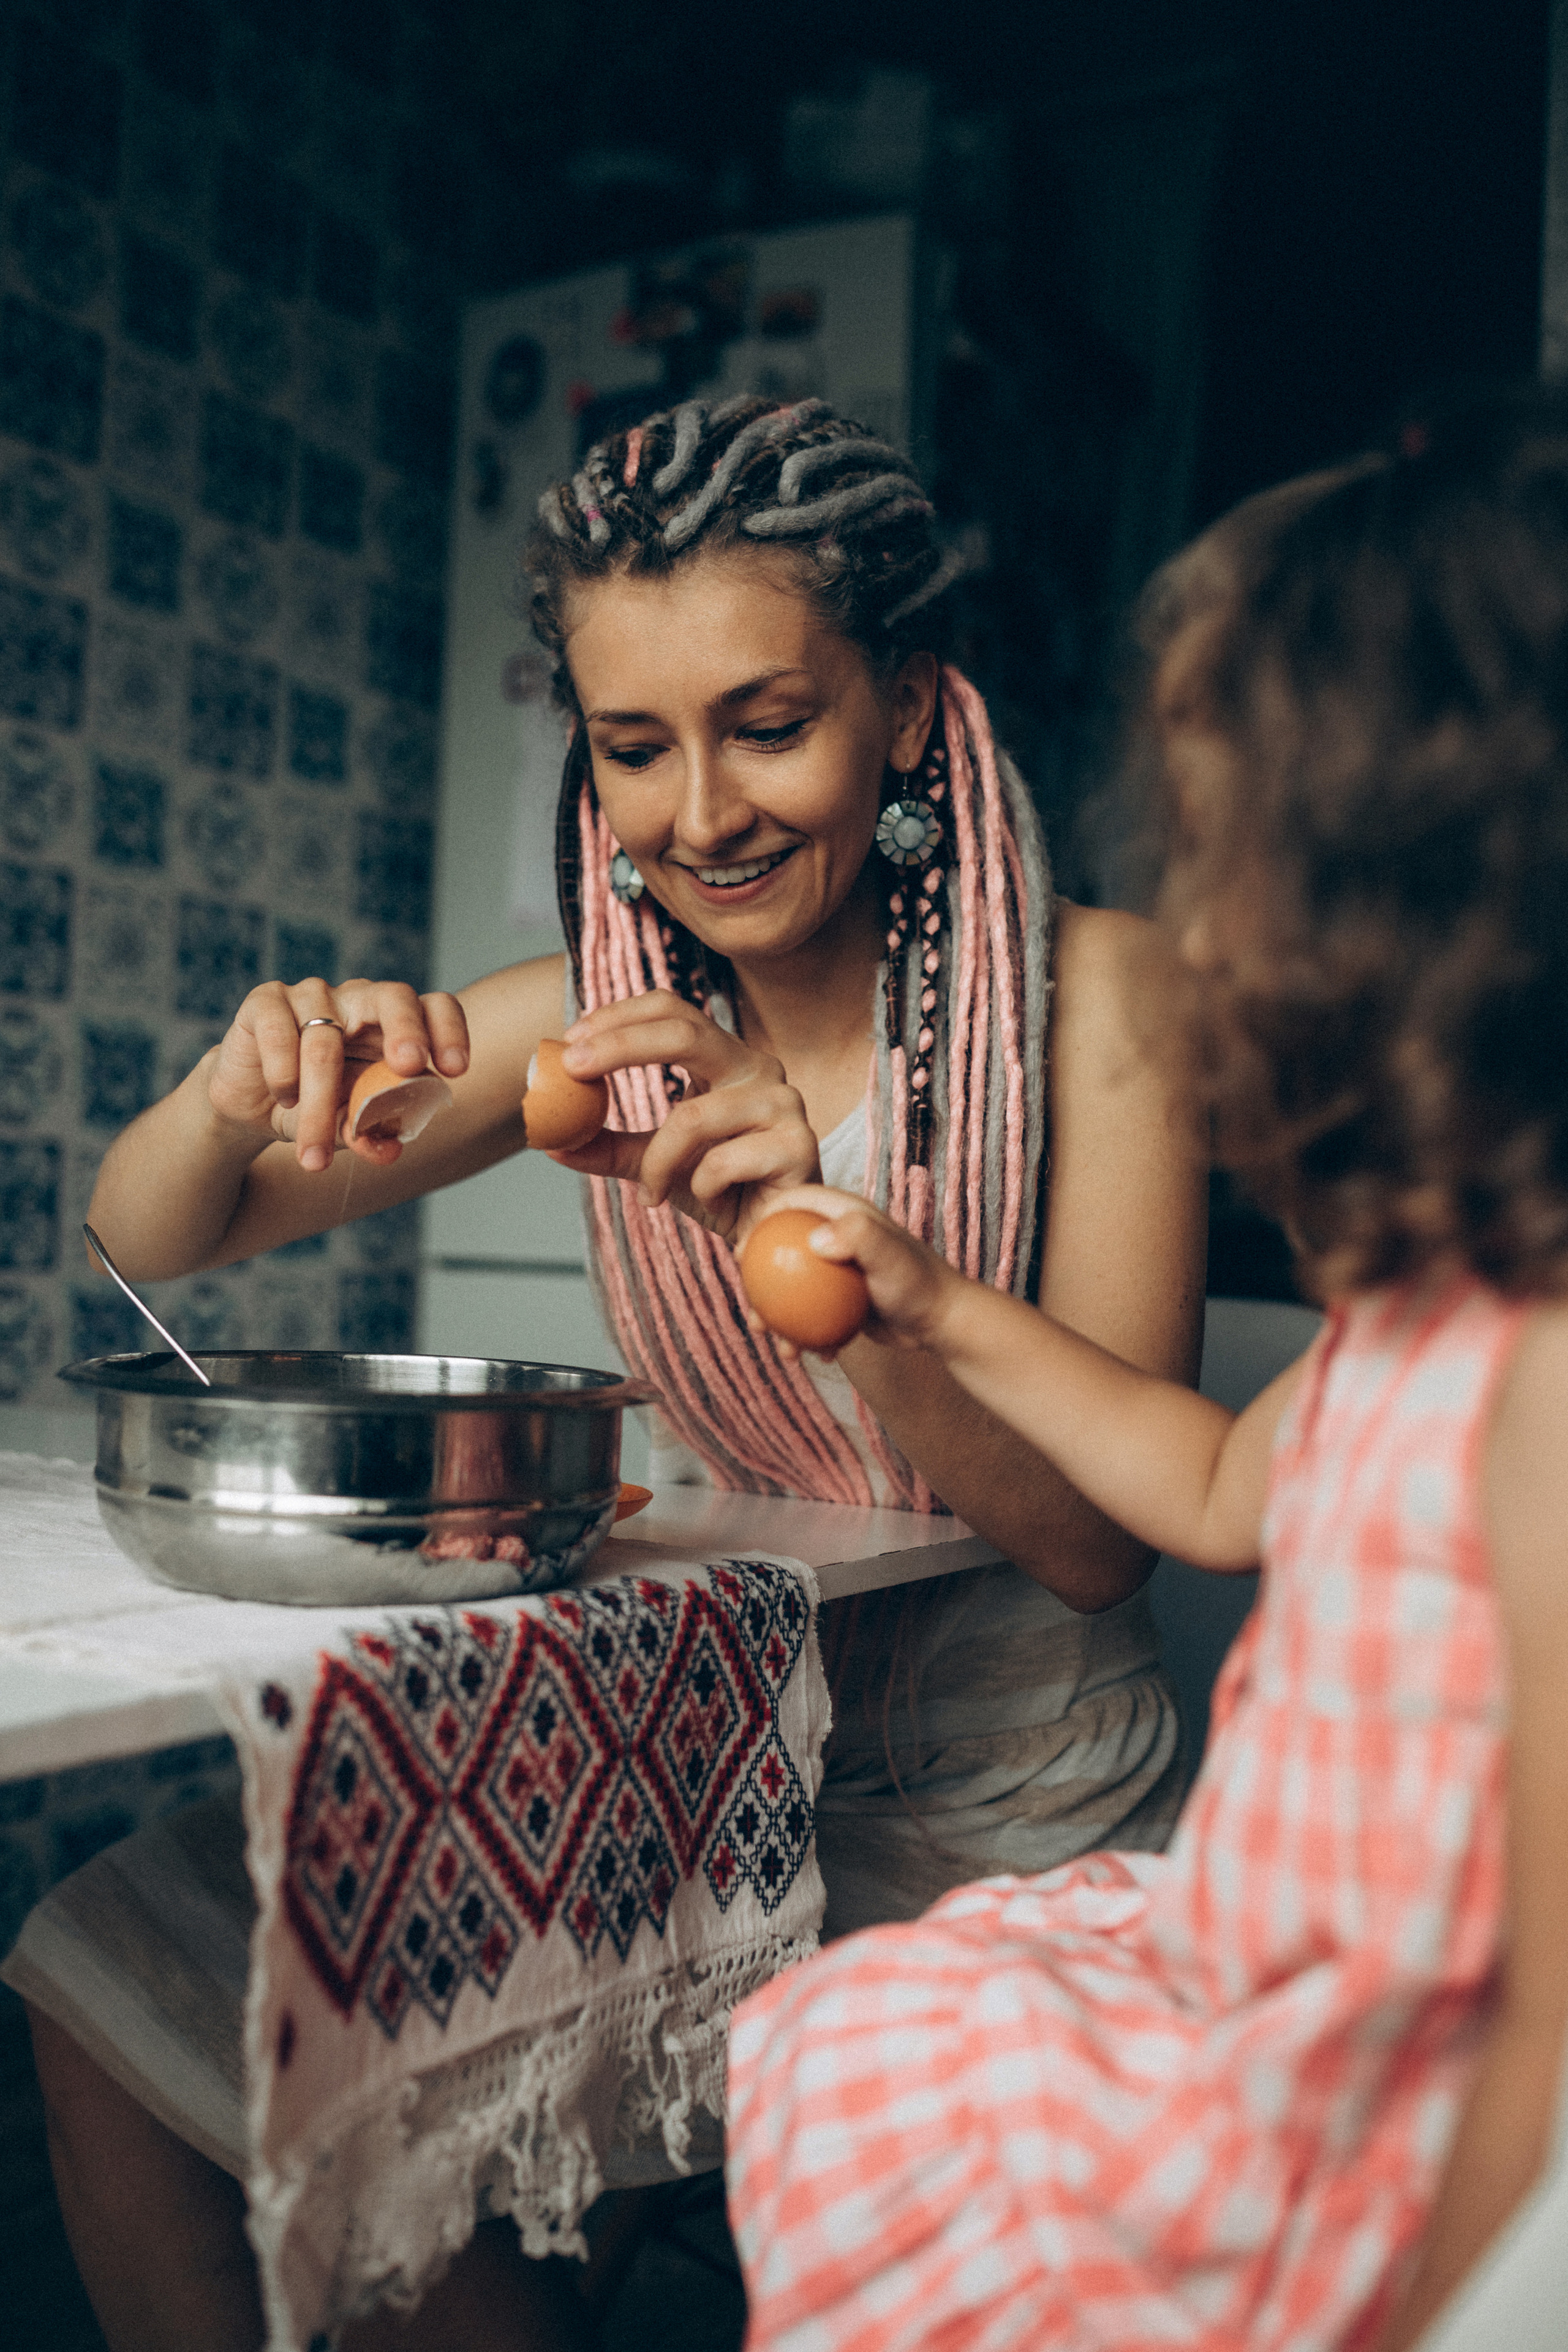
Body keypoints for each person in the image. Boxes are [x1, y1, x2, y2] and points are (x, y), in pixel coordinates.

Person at [6, 398, 1205, 2350]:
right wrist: (236, 1084)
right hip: (702, 1765)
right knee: (113, 1970)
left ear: (908, 706)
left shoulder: (1104, 998)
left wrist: (805, 1238)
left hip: (1011, 1806)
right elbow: (146, 1240)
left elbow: (1094, 1550)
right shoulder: (597, 1011)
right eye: (634, 744)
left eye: (767, 721)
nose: (699, 813)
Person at [723, 385, 1568, 2352]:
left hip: (1355, 2132)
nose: (1196, 929)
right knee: (875, 2027)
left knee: (909, 2069)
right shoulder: (1419, 1327)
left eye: (1228, 859)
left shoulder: (1539, 1387)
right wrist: (933, 1302)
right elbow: (1201, 1484)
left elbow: (1551, 2020)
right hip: (1253, 1972)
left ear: (1411, 905)